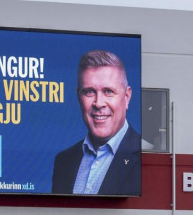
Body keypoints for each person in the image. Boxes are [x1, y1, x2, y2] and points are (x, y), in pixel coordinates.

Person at [52, 49, 141, 195]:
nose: (98, 103)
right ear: (78, 97)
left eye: (108, 91)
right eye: (89, 92)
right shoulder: (63, 162)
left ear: (127, 97)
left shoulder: (145, 156)